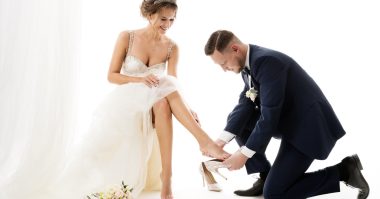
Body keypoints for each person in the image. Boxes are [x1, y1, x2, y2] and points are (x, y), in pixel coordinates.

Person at [48, 2, 230, 199]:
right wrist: (140, 79)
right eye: (163, 19)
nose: (167, 24)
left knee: (163, 101)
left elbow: (174, 83)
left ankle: (166, 177)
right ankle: (203, 141)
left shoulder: (172, 47)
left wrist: (188, 107)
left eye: (172, 19)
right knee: (163, 94)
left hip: (155, 101)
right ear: (149, 15)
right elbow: (112, 75)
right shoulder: (127, 37)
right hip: (128, 101)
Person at [203, 30, 370, 199]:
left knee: (275, 194)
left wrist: (244, 154)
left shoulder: (267, 62)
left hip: (308, 129)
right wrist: (219, 142)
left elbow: (269, 115)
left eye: (224, 63)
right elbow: (245, 104)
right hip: (290, 123)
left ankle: (344, 171)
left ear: (235, 49)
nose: (224, 69)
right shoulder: (249, 64)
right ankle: (265, 176)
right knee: (240, 122)